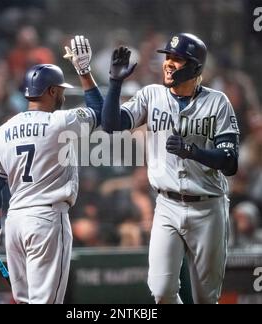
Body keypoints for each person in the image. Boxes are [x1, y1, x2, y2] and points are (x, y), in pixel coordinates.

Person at [102, 33, 240, 304]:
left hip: (208, 207)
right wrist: (115, 83)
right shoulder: (151, 95)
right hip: (166, 205)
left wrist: (193, 151)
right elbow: (111, 124)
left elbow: (231, 161)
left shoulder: (218, 102)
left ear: (195, 67)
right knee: (162, 290)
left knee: (206, 298)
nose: (168, 63)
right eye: (168, 57)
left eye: (177, 59)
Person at [0, 35, 103, 304]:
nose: (63, 93)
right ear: (50, 92)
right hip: (46, 219)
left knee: (23, 301)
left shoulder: (4, 130)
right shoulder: (60, 121)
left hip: (15, 224)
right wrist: (84, 71)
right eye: (61, 89)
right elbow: (99, 111)